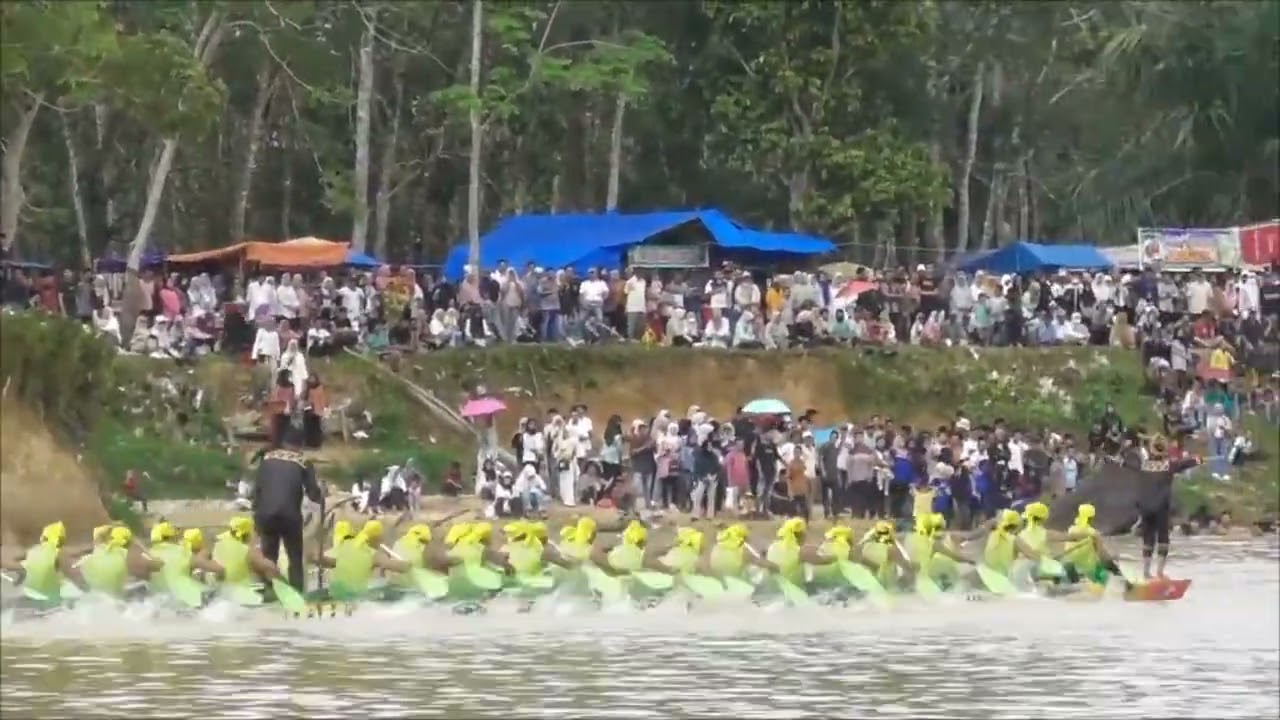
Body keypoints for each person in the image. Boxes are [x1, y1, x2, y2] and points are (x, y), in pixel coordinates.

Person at [252, 439, 324, 591]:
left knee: (269, 555)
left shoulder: (266, 458)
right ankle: (297, 592)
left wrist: (257, 520)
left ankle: (269, 590)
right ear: (299, 446)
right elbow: (313, 494)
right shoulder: (303, 461)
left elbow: (257, 491)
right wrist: (320, 498)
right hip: (289, 515)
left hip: (265, 513)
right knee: (294, 557)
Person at [1136, 433, 1200, 579]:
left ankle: (1146, 573)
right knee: (1163, 539)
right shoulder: (1169, 465)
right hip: (1161, 507)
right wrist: (1199, 459)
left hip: (1145, 507)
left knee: (1148, 539)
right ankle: (1159, 572)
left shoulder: (1144, 465)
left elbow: (1128, 464)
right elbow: (1188, 462)